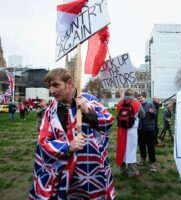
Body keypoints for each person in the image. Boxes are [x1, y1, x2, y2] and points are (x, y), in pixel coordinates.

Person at [29, 68, 115, 200]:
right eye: (50, 86)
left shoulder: (90, 100)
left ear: (69, 83)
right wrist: (68, 147)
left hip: (92, 172)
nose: (52, 91)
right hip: (64, 174)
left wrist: (88, 111)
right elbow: (44, 142)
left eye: (56, 85)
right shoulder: (50, 111)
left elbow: (108, 124)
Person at [116, 89, 145, 177]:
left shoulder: (120, 102)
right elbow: (143, 115)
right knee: (131, 150)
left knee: (122, 148)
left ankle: (121, 169)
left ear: (124, 94)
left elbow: (119, 113)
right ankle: (131, 171)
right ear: (133, 95)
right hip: (132, 129)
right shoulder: (136, 102)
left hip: (121, 128)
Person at [137, 94, 157, 172]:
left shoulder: (150, 104)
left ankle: (152, 162)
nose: (140, 99)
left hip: (149, 129)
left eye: (141, 98)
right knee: (141, 145)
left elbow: (155, 115)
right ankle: (143, 159)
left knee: (150, 146)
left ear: (143, 98)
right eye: (138, 99)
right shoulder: (137, 105)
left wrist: (152, 112)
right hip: (140, 129)